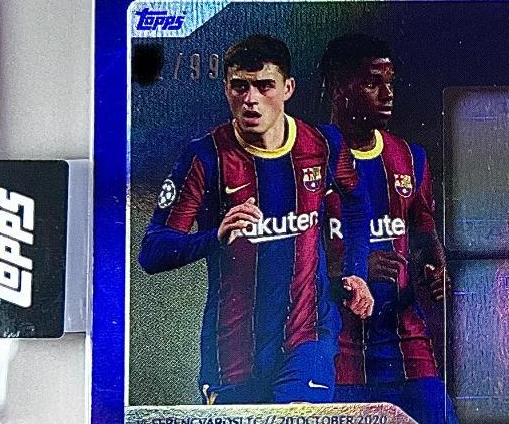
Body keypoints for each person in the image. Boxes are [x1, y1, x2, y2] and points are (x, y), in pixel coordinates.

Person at [139, 34, 373, 404]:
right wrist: (215, 236)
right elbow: (153, 251)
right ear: (226, 89)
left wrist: (356, 270)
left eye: (265, 86)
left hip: (307, 336)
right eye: (240, 86)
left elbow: (358, 205)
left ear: (287, 88)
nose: (251, 99)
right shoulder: (205, 157)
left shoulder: (323, 144)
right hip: (232, 354)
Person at [321, 33, 462, 424]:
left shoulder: (410, 158)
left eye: (390, 82)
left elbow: (424, 235)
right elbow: (285, 256)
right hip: (337, 351)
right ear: (339, 86)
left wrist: (436, 269)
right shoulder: (308, 158)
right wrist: (351, 269)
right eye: (372, 83)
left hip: (406, 345)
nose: (387, 94)